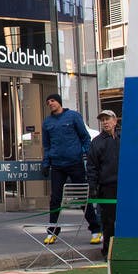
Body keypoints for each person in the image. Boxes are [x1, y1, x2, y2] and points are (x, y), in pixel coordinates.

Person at [40, 93, 94, 245]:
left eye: (53, 100)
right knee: (55, 199)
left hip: (75, 163)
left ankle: (96, 229)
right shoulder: (47, 122)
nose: (50, 103)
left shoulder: (73, 116)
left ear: (59, 102)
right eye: (48, 102)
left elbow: (85, 137)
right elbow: (46, 145)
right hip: (57, 165)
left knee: (82, 197)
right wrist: (46, 163)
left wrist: (87, 155)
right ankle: (52, 232)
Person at [87, 108, 120, 256]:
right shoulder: (97, 142)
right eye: (103, 120)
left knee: (126, 219)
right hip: (107, 186)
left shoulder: (123, 138)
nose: (105, 122)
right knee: (108, 222)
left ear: (115, 121)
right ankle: (108, 252)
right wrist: (93, 186)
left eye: (108, 119)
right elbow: (92, 166)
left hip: (125, 186)